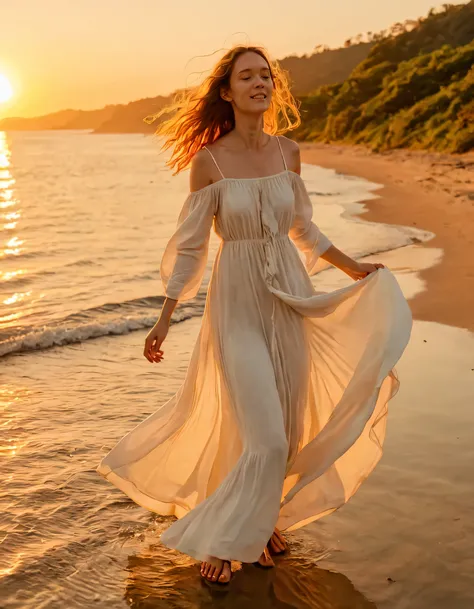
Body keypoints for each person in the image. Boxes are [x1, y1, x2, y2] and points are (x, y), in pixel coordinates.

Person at [97, 45, 412, 586]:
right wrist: (165, 316)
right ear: (227, 92)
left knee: (285, 430)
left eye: (266, 75)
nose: (259, 82)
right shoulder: (209, 162)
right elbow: (192, 248)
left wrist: (354, 267)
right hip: (236, 302)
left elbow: (304, 231)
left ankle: (260, 523)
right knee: (263, 434)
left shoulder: (289, 152)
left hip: (290, 293)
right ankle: (224, 538)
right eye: (247, 76)